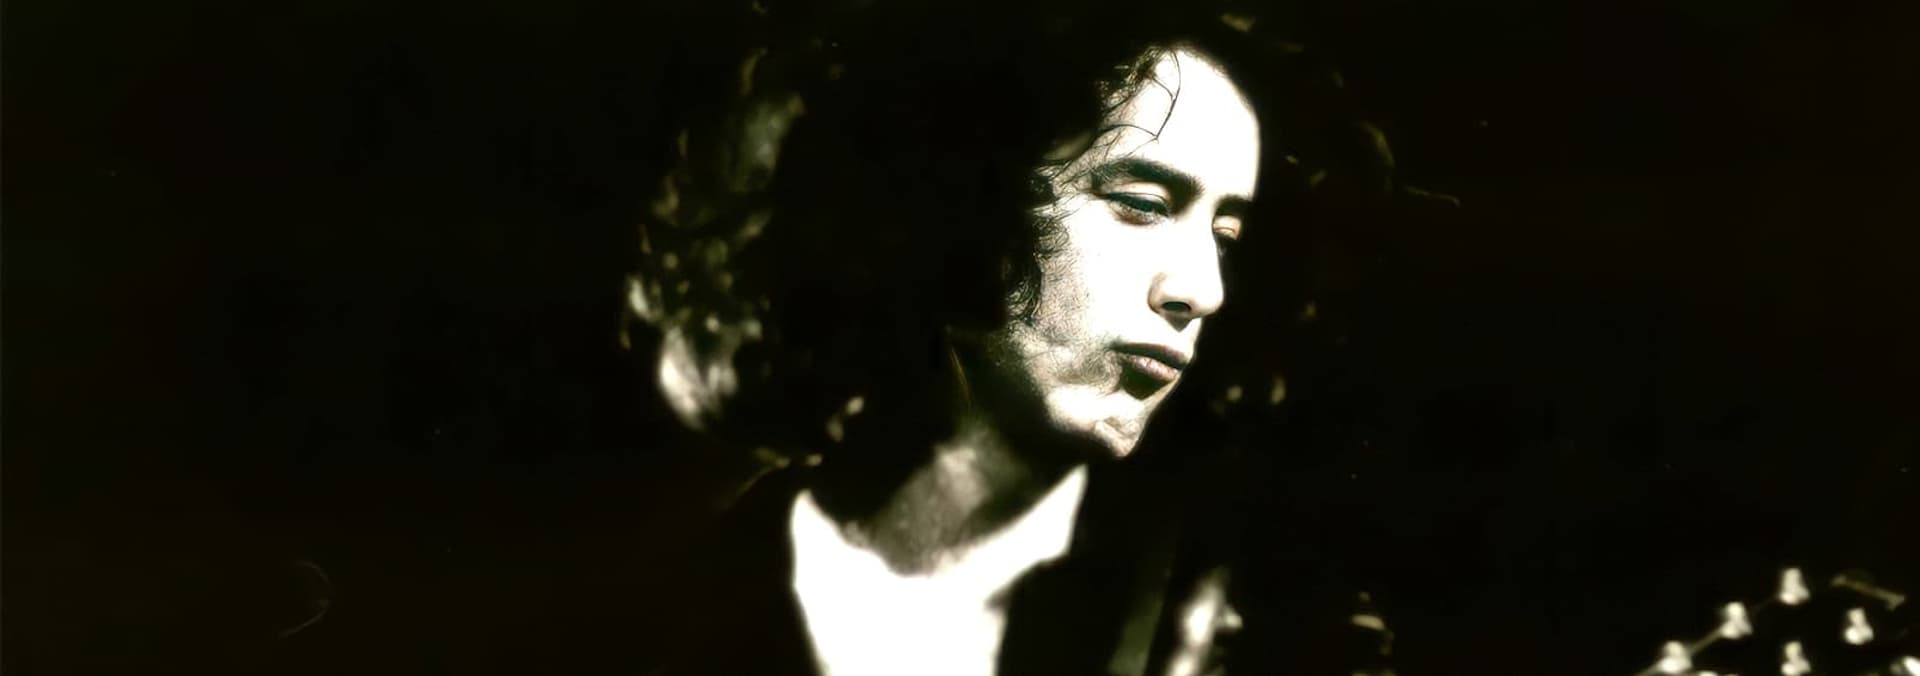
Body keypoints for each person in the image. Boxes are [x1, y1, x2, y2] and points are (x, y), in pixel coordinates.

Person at [622, 1, 1386, 673]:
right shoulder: (679, 609)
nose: (1202, 289)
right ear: (967, 205)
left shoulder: (1255, 625)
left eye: (1225, 237)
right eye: (1144, 204)